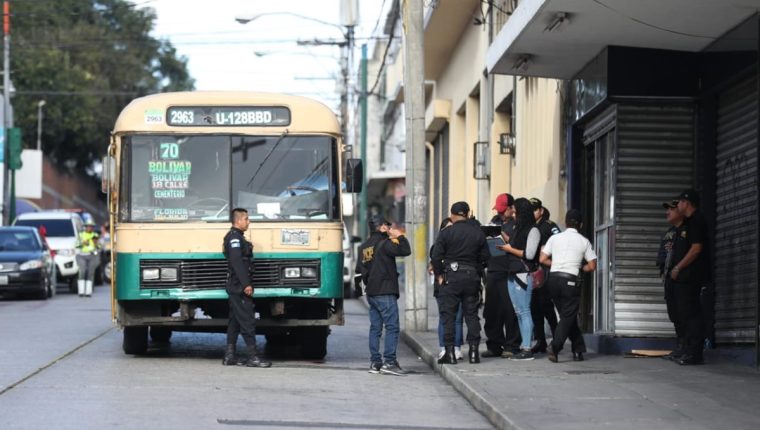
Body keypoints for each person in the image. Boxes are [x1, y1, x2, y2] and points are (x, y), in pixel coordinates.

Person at [431, 201, 490, 365]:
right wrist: (475, 268)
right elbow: (486, 257)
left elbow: (436, 256)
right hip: (471, 277)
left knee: (448, 316)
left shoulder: (446, 233)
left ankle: (449, 353)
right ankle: (473, 353)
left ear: (452, 215)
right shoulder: (477, 233)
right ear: (467, 214)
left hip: (452, 276)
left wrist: (439, 275)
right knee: (471, 315)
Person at [539, 209, 597, 363]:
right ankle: (555, 346)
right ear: (581, 224)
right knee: (568, 316)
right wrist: (580, 268)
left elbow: (542, 258)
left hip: (553, 280)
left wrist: (556, 264)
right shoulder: (584, 241)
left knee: (567, 316)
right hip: (570, 280)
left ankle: (578, 350)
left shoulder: (555, 238)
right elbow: (592, 266)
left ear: (565, 222)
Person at [357, 215, 411, 376]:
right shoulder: (385, 244)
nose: (390, 228)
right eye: (387, 225)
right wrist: (400, 236)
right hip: (385, 291)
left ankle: (375, 362)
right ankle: (390, 362)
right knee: (392, 327)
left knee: (375, 328)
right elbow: (405, 250)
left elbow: (358, 272)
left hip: (371, 292)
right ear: (381, 227)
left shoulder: (364, 247)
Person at [222, 208, 271, 368]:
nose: (249, 222)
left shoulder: (236, 237)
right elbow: (237, 262)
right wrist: (246, 284)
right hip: (239, 286)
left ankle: (230, 356)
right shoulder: (234, 238)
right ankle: (252, 357)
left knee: (235, 321)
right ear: (238, 221)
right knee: (248, 320)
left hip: (236, 285)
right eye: (246, 219)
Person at [497, 198, 541, 361]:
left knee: (524, 311)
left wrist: (509, 249)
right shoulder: (518, 228)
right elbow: (515, 244)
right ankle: (524, 345)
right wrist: (501, 238)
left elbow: (529, 254)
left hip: (523, 273)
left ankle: (527, 347)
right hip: (512, 272)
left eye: (516, 212)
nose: (513, 215)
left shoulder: (533, 230)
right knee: (518, 312)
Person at [671, 189, 709, 365]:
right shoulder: (688, 222)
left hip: (692, 276)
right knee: (685, 314)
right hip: (685, 277)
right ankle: (688, 350)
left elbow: (696, 248)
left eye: (679, 202)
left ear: (687, 203)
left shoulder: (696, 221)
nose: (677, 205)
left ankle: (695, 353)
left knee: (692, 314)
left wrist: (679, 267)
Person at [482, 193, 521, 358]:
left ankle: (511, 345)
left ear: (511, 209)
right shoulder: (494, 221)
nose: (499, 213)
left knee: (509, 310)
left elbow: (520, 245)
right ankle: (494, 345)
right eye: (498, 210)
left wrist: (505, 237)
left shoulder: (517, 225)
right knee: (491, 311)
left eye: (502, 210)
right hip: (493, 270)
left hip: (509, 272)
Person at [430, 218, 464, 360]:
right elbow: (432, 265)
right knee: (444, 317)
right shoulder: (437, 246)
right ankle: (444, 347)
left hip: (458, 284)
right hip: (443, 285)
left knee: (458, 318)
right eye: (448, 228)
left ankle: (456, 347)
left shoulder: (461, 245)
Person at [528, 198, 560, 354]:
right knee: (535, 308)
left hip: (546, 272)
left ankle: (556, 339)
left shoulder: (549, 226)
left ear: (541, 210)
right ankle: (540, 340)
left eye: (535, 209)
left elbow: (559, 243)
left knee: (547, 307)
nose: (533, 212)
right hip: (533, 272)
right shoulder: (529, 226)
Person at [657, 200, 685, 360]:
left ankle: (687, 347)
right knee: (674, 314)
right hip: (670, 279)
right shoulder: (669, 233)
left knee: (684, 313)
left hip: (683, 280)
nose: (668, 211)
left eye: (671, 209)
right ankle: (680, 345)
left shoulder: (686, 231)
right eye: (666, 209)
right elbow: (662, 256)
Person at [76, 220, 100, 297]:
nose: (89, 228)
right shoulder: (81, 235)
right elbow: (76, 245)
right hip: (81, 255)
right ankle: (81, 291)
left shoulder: (95, 235)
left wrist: (96, 244)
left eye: (91, 226)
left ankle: (88, 292)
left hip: (92, 255)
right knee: (82, 271)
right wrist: (82, 243)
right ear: (85, 227)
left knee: (90, 272)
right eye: (88, 226)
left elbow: (99, 246)